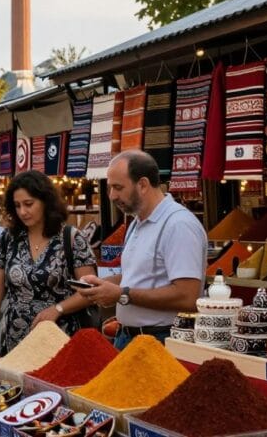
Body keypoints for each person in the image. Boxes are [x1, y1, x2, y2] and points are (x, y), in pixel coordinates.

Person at [78, 150, 208, 349]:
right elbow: (137, 277)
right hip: (129, 337)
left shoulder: (178, 224)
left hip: (161, 341)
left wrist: (122, 294)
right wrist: (100, 285)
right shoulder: (137, 222)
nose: (112, 195)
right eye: (110, 188)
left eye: (118, 187)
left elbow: (188, 296)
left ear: (143, 185)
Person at [0, 170, 96, 356]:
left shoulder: (72, 238)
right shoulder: (8, 239)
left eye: (28, 204)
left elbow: (89, 290)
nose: (22, 212)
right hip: (16, 338)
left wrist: (58, 309)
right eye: (17, 206)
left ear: (46, 202)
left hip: (60, 337)